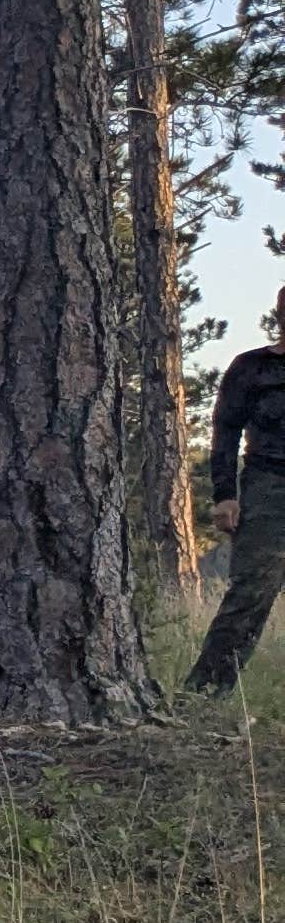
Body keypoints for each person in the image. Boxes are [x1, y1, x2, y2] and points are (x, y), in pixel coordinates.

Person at [187, 286, 285, 694]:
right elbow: (225, 433)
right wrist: (225, 494)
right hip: (267, 486)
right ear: (279, 313)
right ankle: (205, 693)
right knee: (249, 594)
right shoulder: (251, 368)